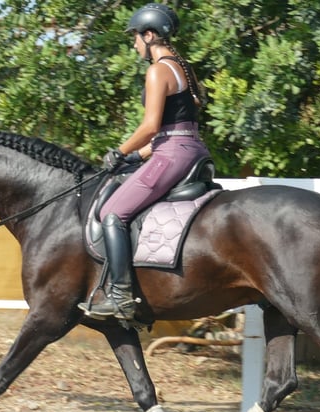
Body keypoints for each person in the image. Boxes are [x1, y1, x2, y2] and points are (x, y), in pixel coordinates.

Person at [79, 2, 211, 322]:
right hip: (189, 148)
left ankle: (121, 296)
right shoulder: (184, 68)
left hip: (172, 153)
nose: (134, 43)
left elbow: (151, 127)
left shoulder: (158, 71)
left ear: (150, 35)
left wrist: (120, 151)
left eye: (136, 37)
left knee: (112, 213)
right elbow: (177, 126)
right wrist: (138, 156)